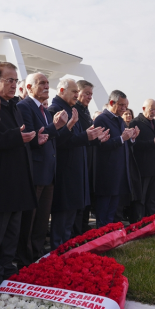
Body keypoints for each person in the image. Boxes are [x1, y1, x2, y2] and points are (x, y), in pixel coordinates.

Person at [0, 62, 37, 296]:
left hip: (18, 180)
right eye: (9, 80)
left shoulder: (14, 105)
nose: (14, 85)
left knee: (12, 231)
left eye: (16, 81)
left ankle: (6, 270)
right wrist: (17, 136)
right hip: (0, 180)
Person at [48, 79, 107, 248]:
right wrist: (85, 137)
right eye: (74, 92)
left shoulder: (72, 110)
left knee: (70, 218)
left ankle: (66, 251)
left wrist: (95, 138)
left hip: (76, 170)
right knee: (61, 218)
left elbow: (80, 139)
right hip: (65, 171)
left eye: (76, 92)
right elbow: (58, 142)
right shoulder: (55, 110)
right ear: (61, 90)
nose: (76, 95)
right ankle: (57, 253)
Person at [16, 74, 67, 264]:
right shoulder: (24, 107)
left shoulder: (44, 110)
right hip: (34, 173)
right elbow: (33, 138)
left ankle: (38, 256)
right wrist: (56, 126)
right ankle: (25, 259)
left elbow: (50, 138)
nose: (47, 86)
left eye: (47, 83)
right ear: (29, 87)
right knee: (29, 221)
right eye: (42, 83)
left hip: (48, 173)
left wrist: (61, 127)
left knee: (42, 220)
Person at [93, 90, 139, 226]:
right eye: (121, 105)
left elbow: (123, 142)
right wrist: (121, 138)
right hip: (107, 171)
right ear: (112, 103)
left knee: (113, 208)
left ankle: (110, 234)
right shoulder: (102, 119)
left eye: (126, 105)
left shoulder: (119, 120)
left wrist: (132, 138)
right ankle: (101, 235)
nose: (124, 109)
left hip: (119, 171)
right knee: (104, 208)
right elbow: (101, 145)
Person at [74, 80, 96, 236]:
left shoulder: (86, 110)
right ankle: (76, 230)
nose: (89, 97)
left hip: (88, 157)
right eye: (86, 93)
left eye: (91, 94)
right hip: (77, 159)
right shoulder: (74, 109)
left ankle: (83, 227)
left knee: (86, 196)